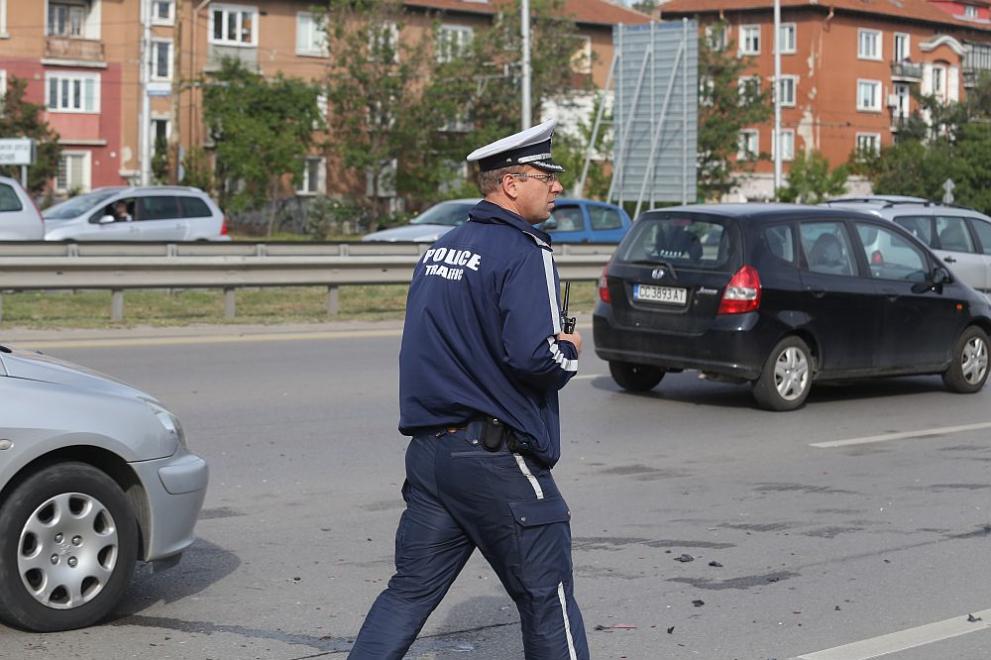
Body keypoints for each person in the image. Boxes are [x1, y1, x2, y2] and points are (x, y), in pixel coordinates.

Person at [348, 118, 588, 660]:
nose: (556, 187)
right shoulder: (527, 251)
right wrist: (569, 351)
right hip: (495, 460)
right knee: (549, 601)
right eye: (545, 176)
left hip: (432, 457)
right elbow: (535, 355)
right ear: (511, 184)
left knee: (407, 594)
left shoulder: (442, 248)